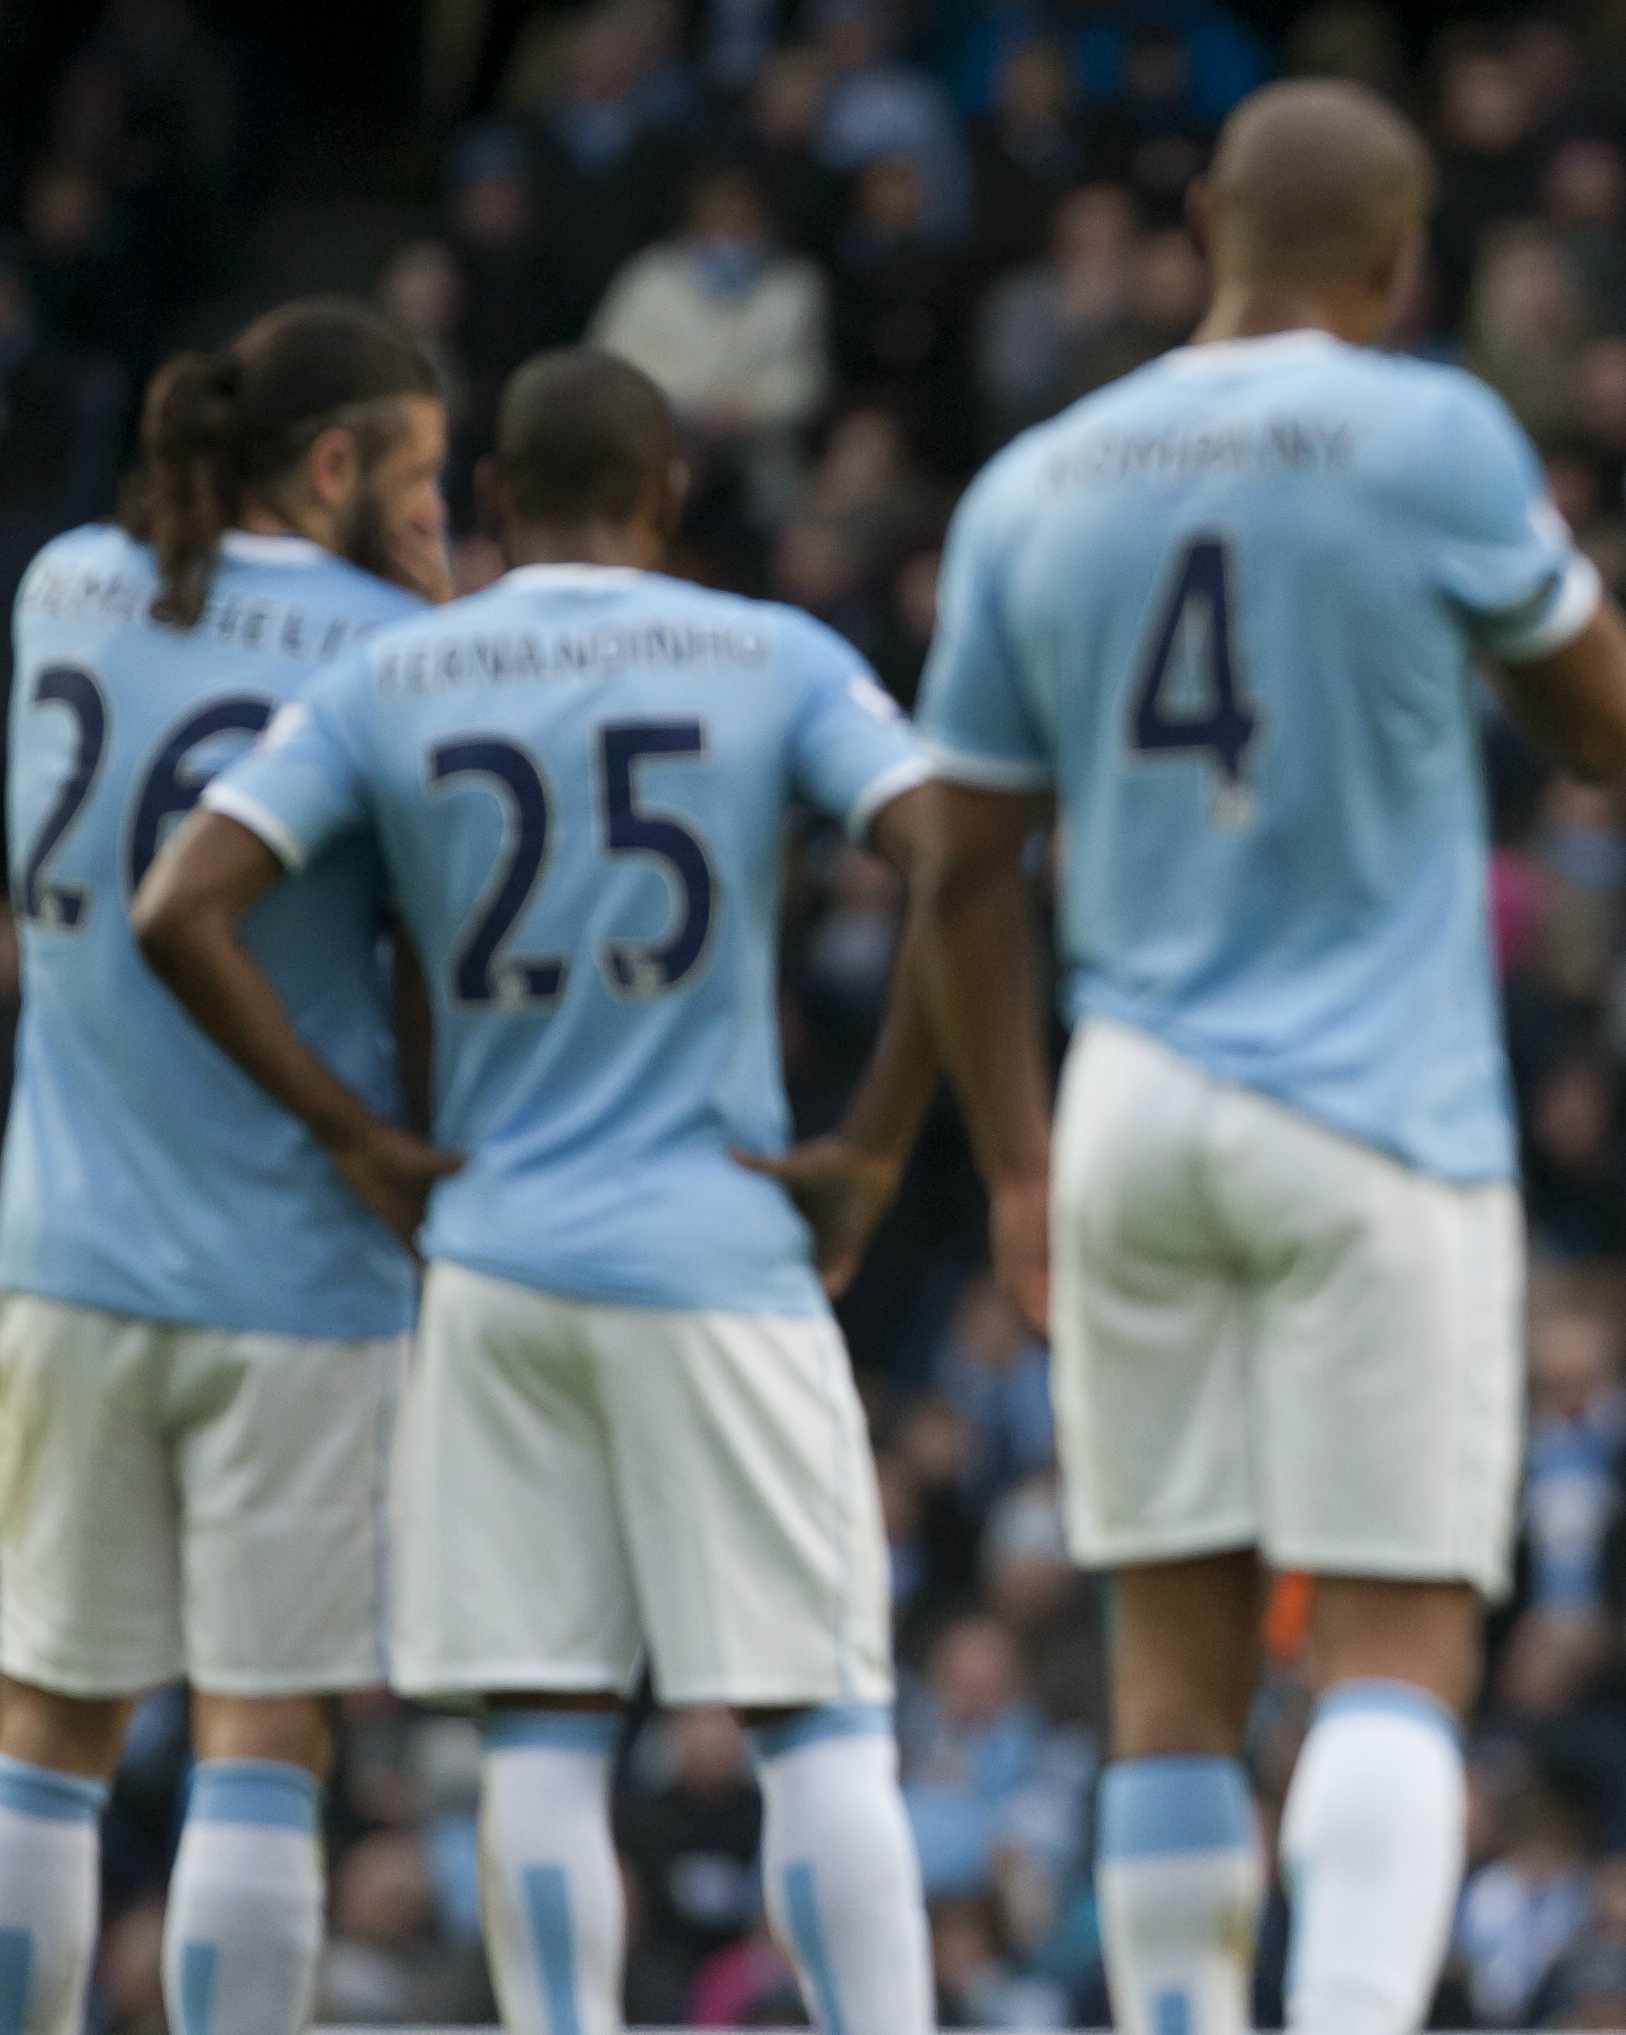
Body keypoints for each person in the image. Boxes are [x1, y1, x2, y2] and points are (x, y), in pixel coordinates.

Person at [902, 78, 1626, 2035]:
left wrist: (1015, 1160)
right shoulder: (1430, 433)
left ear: (1204, 232)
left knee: (1170, 1659)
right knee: (1392, 1634)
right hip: (1375, 1111)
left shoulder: (1035, 481)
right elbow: (1609, 726)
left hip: (1127, 1103)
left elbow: (959, 869)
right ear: (1400, 263)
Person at [130, 347, 944, 2035]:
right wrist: (875, 1141)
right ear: (667, 497)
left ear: (495, 498)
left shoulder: (394, 676)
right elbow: (959, 857)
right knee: (819, 1722)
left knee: (541, 1740)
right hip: (720, 1246)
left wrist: (357, 1132)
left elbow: (182, 904)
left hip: (493, 1256)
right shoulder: (772, 654)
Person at [0, 298, 449, 2035]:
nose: (432, 507)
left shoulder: (65, 584)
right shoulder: (393, 647)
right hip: (296, 1264)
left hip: (66, 1250)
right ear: (337, 462)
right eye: (421, 474)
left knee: (44, 1726)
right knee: (262, 1732)